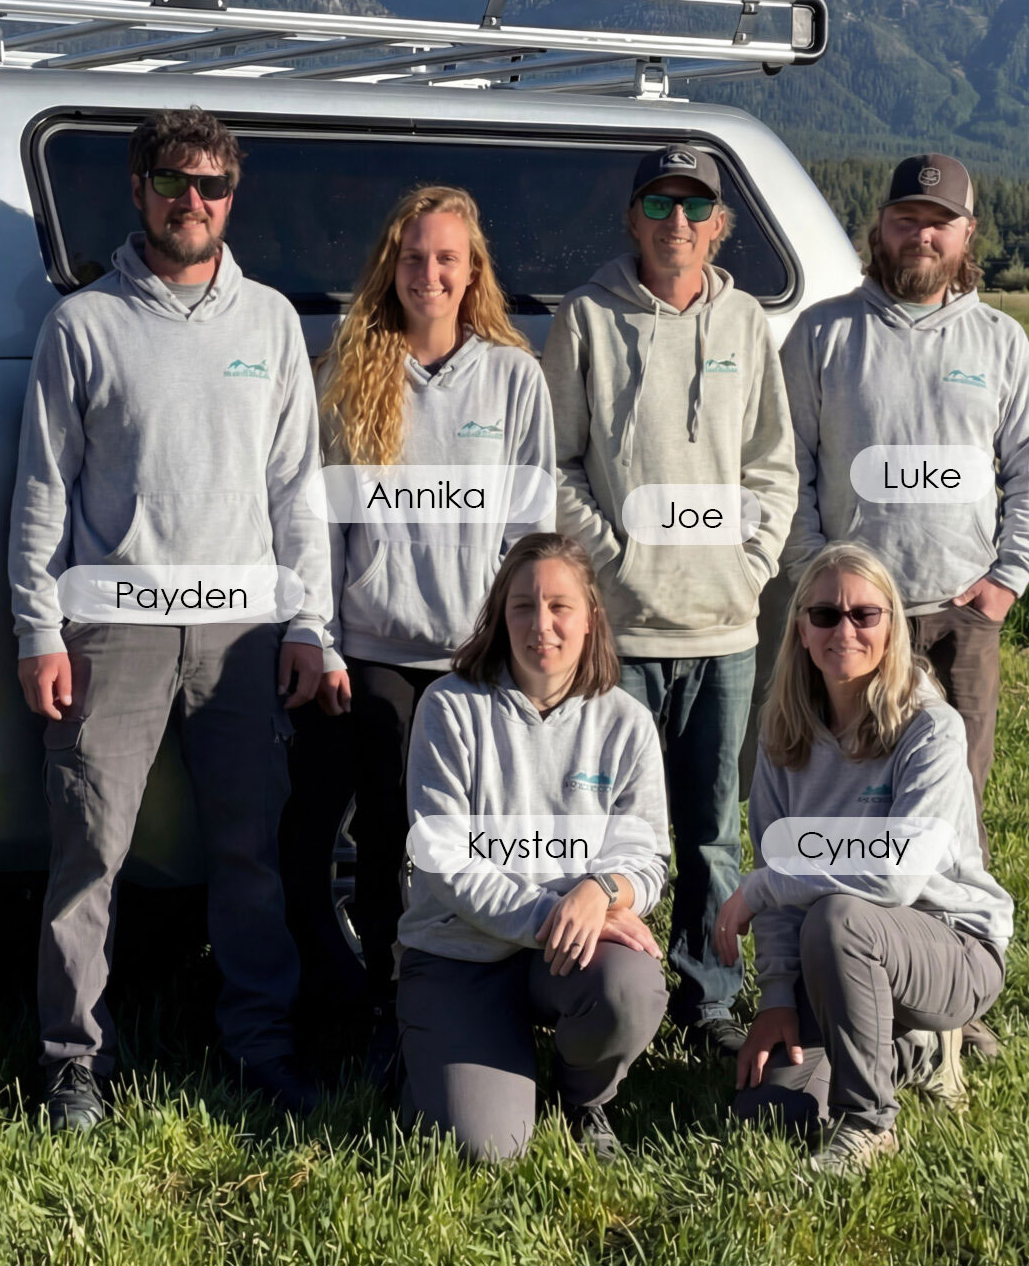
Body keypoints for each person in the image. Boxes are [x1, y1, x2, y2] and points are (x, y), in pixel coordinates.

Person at [10, 107, 335, 1132]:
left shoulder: (271, 323)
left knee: (250, 850)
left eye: (211, 186)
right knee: (89, 848)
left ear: (232, 199)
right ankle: (74, 1059)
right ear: (137, 188)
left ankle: (259, 1044)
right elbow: (41, 495)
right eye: (172, 181)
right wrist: (36, 628)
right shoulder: (83, 325)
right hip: (113, 627)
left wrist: (305, 625)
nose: (190, 201)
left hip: (243, 635)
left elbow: (297, 489)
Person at [779, 152, 1029, 1059]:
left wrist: (1005, 581)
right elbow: (791, 474)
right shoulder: (823, 337)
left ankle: (947, 998)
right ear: (880, 226)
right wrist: (825, 590)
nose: (921, 234)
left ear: (967, 234)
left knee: (953, 807)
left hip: (955, 613)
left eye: (939, 221)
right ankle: (844, 975)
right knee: (842, 794)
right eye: (906, 218)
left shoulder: (1000, 343)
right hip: (851, 630)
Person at [542, 144, 796, 1059]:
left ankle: (710, 999)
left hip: (725, 627)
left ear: (720, 225)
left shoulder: (744, 326)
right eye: (660, 203)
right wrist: (609, 564)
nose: (676, 223)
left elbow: (772, 465)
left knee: (712, 831)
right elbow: (558, 463)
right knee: (609, 822)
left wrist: (752, 563)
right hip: (622, 632)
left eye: (695, 207)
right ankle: (619, 987)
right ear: (633, 217)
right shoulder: (585, 320)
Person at [300, 184, 555, 1077]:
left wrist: (528, 644)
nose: (429, 274)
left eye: (447, 258)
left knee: (480, 838)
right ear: (390, 266)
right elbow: (320, 524)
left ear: (472, 268)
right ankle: (386, 1005)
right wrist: (323, 636)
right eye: (413, 258)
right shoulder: (352, 369)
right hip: (376, 650)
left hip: (479, 657)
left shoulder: (514, 377)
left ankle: (489, 999)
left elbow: (532, 527)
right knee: (385, 841)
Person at [715, 542, 1013, 1176]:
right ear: (799, 628)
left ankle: (870, 1124)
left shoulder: (930, 728)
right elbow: (778, 857)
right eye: (824, 615)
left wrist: (765, 887)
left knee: (841, 916)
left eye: (864, 614)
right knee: (771, 1110)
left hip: (951, 948)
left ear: (892, 627)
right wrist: (776, 999)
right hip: (839, 962)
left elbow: (897, 876)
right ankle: (918, 1052)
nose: (843, 629)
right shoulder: (782, 731)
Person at [397, 532, 671, 1162]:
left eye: (559, 606)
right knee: (486, 1147)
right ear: (500, 615)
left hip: (571, 953)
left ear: (590, 616)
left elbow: (645, 854)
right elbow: (445, 861)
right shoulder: (450, 707)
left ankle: (584, 1099)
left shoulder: (625, 721)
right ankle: (430, 1058)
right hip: (460, 950)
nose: (540, 624)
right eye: (522, 606)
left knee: (630, 986)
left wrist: (604, 891)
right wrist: (556, 914)